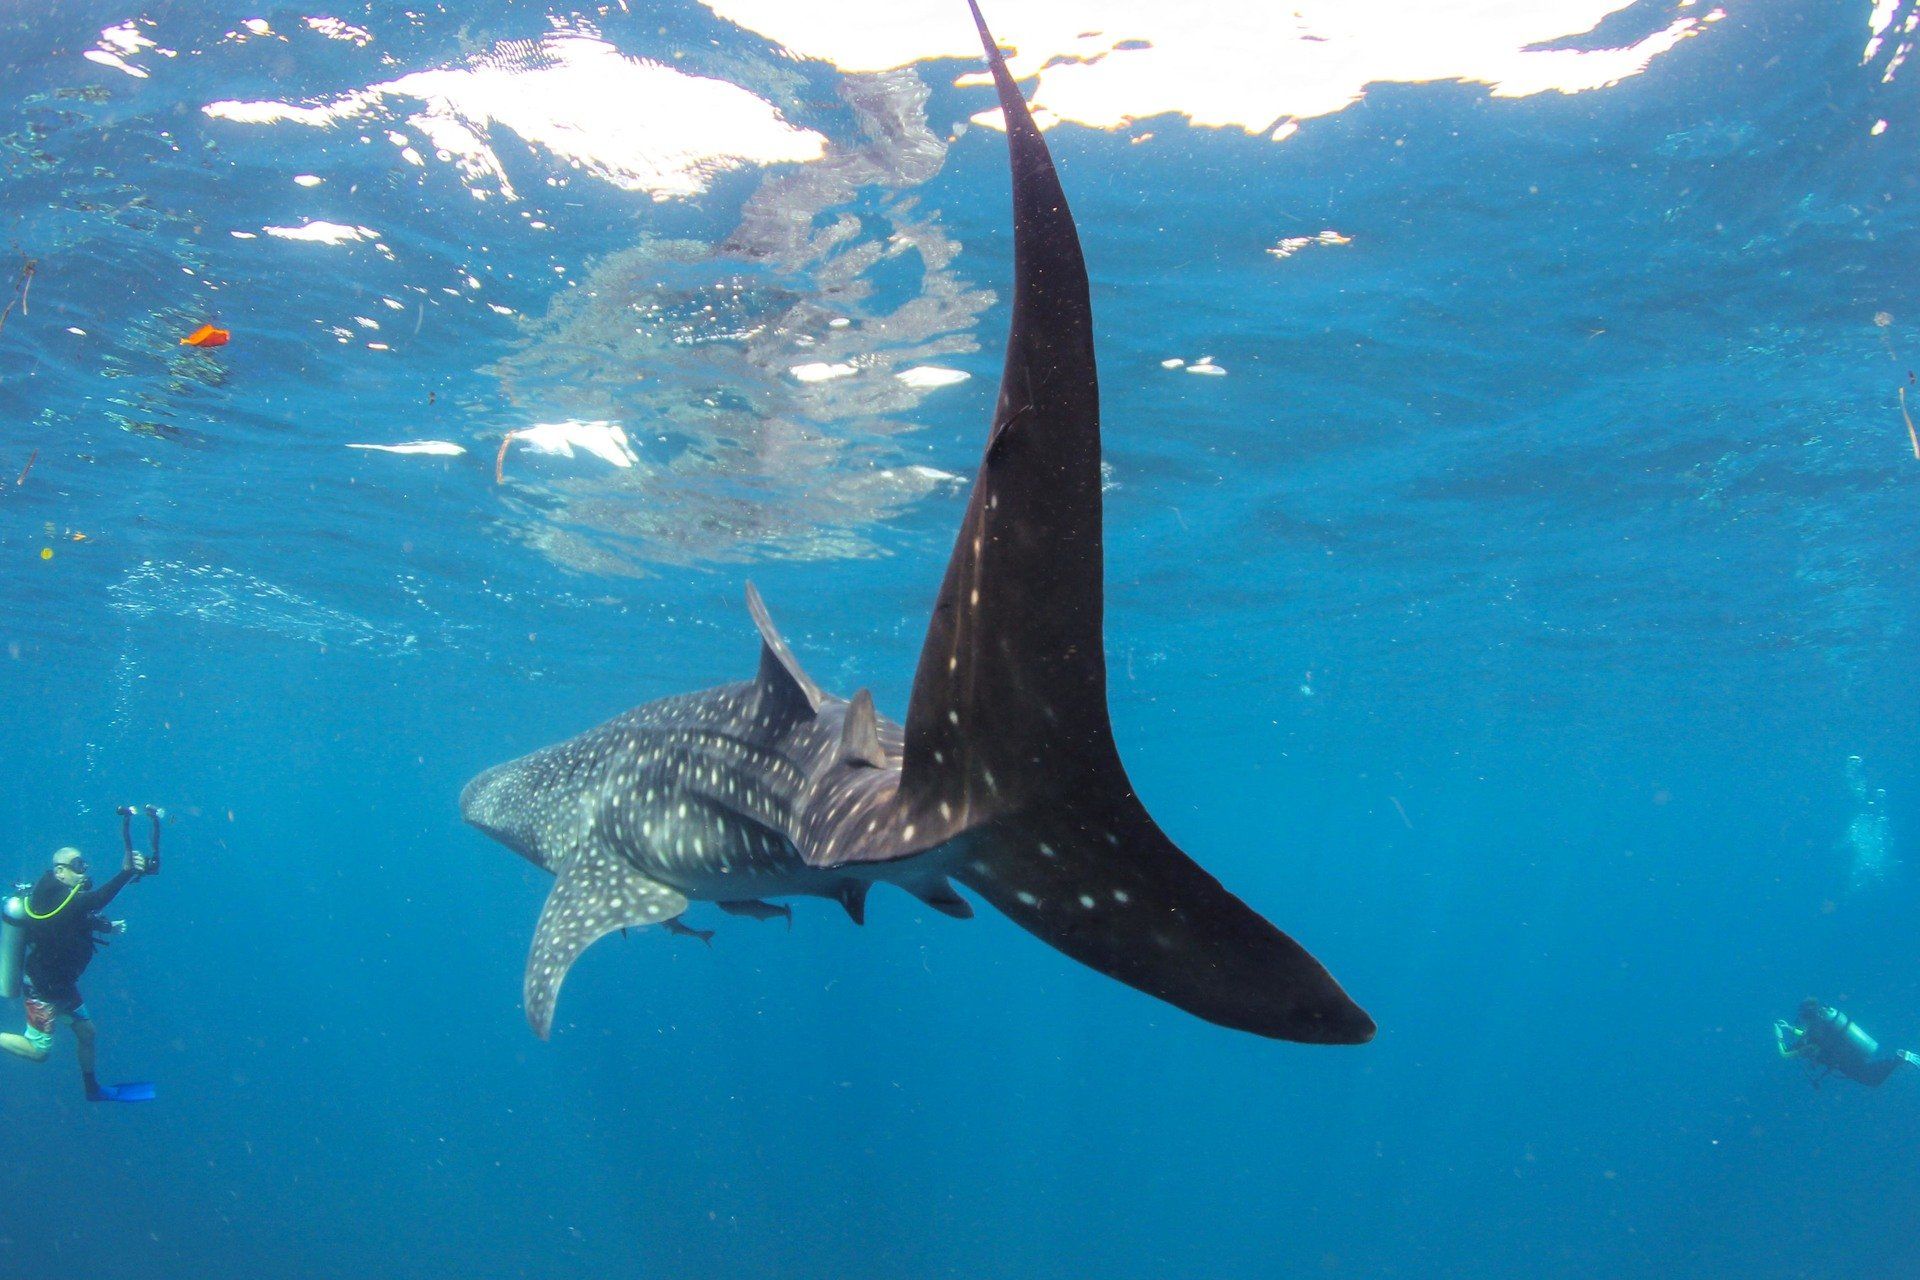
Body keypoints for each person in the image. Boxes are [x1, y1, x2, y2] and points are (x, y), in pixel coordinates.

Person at [0, 808, 159, 1102]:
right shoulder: (52, 900)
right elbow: (93, 902)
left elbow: (79, 919)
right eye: (75, 865)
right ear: (59, 871)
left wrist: (106, 926)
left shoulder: (63, 901)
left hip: (62, 984)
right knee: (38, 1053)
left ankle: (92, 1089)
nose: (82, 870)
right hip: (44, 989)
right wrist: (126, 872)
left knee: (87, 1032)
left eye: (83, 864)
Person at [1775, 998, 1920, 1088]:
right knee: (1869, 1072)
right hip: (1850, 1054)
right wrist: (1789, 1028)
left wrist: (1779, 1035)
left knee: (1872, 1080)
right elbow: (1808, 1036)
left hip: (1845, 1063)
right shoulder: (1821, 1025)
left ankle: (1899, 1059)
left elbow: (1785, 1054)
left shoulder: (1811, 1037)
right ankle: (1898, 1059)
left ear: (1805, 1018)